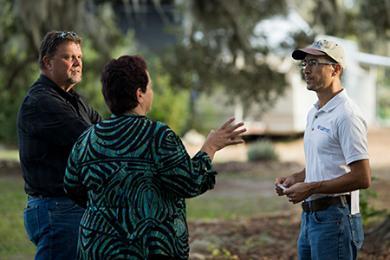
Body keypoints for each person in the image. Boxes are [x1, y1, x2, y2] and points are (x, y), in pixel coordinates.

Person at [64, 55, 246, 259]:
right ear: (139, 94)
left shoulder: (87, 139)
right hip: (149, 248)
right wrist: (210, 146)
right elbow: (190, 182)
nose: (152, 91)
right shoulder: (158, 137)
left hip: (97, 248)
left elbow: (72, 186)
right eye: (149, 87)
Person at [275, 39, 371, 260]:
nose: (306, 70)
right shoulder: (315, 112)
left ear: (335, 69)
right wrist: (295, 178)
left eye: (314, 63)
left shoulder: (347, 115)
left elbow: (362, 177)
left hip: (335, 219)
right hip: (310, 219)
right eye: (305, 63)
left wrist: (311, 187)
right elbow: (326, 164)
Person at [17, 31, 101, 259]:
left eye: (79, 57)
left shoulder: (75, 99)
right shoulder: (42, 101)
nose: (77, 63)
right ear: (47, 62)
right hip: (56, 209)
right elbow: (94, 139)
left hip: (68, 208)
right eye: (68, 57)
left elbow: (104, 130)